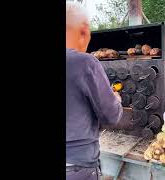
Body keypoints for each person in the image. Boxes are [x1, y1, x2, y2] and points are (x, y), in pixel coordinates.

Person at [66, 2, 123, 180]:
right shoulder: (84, 62)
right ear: (83, 30)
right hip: (77, 167)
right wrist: (116, 99)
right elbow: (111, 116)